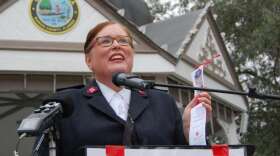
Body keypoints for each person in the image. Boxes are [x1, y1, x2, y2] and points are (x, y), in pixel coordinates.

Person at [37, 21, 212, 156]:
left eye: (124, 41)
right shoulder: (65, 104)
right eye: (105, 41)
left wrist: (191, 131)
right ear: (88, 60)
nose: (116, 45)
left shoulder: (163, 103)